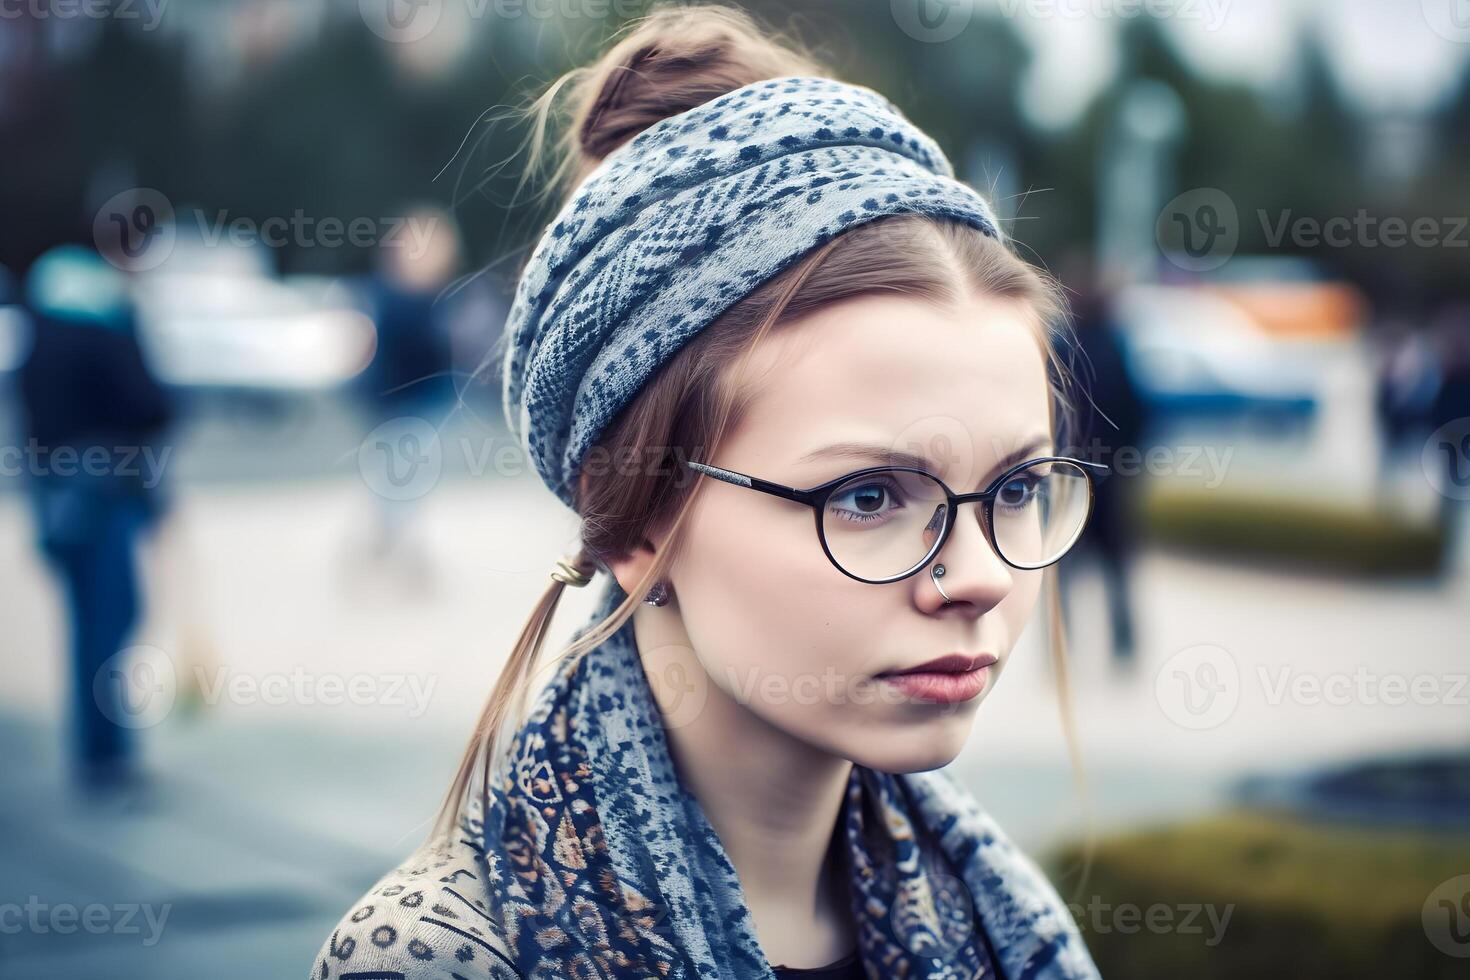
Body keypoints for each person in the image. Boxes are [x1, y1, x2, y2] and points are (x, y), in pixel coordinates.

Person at [312, 6, 1104, 978]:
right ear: (637, 517)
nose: (980, 576)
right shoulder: (445, 956)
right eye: (867, 497)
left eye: (1019, 485)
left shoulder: (1006, 929)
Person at [16, 244, 176, 793]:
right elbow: (151, 405)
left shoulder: (39, 336)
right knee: (110, 621)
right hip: (102, 496)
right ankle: (105, 755)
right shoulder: (104, 330)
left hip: (56, 498)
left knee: (88, 623)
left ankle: (97, 750)